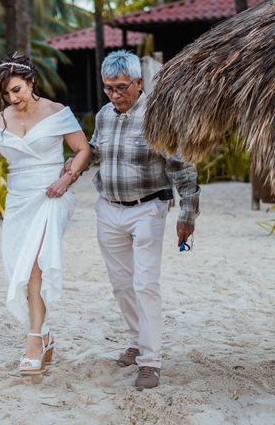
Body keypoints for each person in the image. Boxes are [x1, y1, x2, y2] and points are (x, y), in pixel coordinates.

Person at [0, 51, 91, 375]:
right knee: (19, 272)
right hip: (19, 199)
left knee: (36, 267)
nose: (13, 98)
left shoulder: (57, 112)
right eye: (7, 93)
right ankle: (45, 333)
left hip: (53, 195)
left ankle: (33, 342)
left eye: (18, 90)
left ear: (31, 82)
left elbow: (83, 150)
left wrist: (66, 179)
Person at [85, 50, 200, 390]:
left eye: (121, 88)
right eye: (108, 88)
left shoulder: (157, 116)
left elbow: (182, 166)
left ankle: (150, 362)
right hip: (108, 208)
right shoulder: (104, 115)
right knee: (121, 285)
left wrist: (188, 214)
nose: (114, 95)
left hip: (148, 209)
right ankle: (135, 341)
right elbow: (93, 151)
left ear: (138, 83)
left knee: (145, 284)